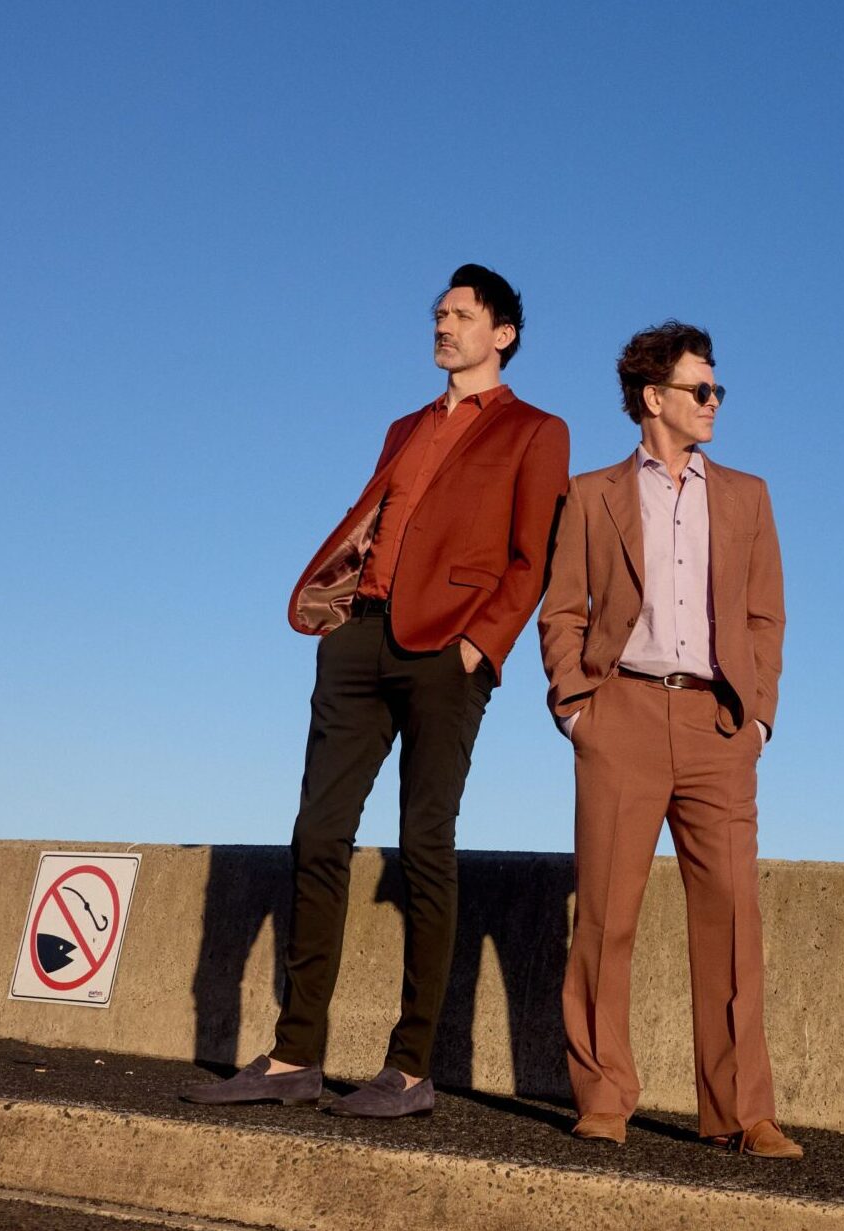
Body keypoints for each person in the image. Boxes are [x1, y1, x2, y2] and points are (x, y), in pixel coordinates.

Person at [182, 264, 569, 1117]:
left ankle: (410, 1068)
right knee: (317, 834)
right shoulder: (404, 426)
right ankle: (293, 1058)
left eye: (461, 315)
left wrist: (481, 644)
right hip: (359, 638)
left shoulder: (536, 430)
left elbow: (532, 554)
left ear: (502, 333)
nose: (443, 325)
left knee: (424, 844)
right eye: (438, 313)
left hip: (448, 649)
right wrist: (340, 617)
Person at [539, 321, 801, 1157]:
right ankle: (603, 1097)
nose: (714, 402)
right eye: (700, 389)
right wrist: (576, 708)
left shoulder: (747, 496)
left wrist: (756, 716)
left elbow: (764, 615)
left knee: (732, 916)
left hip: (716, 723)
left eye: (716, 388)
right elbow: (563, 608)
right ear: (654, 399)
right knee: (605, 918)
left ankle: (741, 1112)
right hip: (620, 714)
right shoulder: (592, 495)